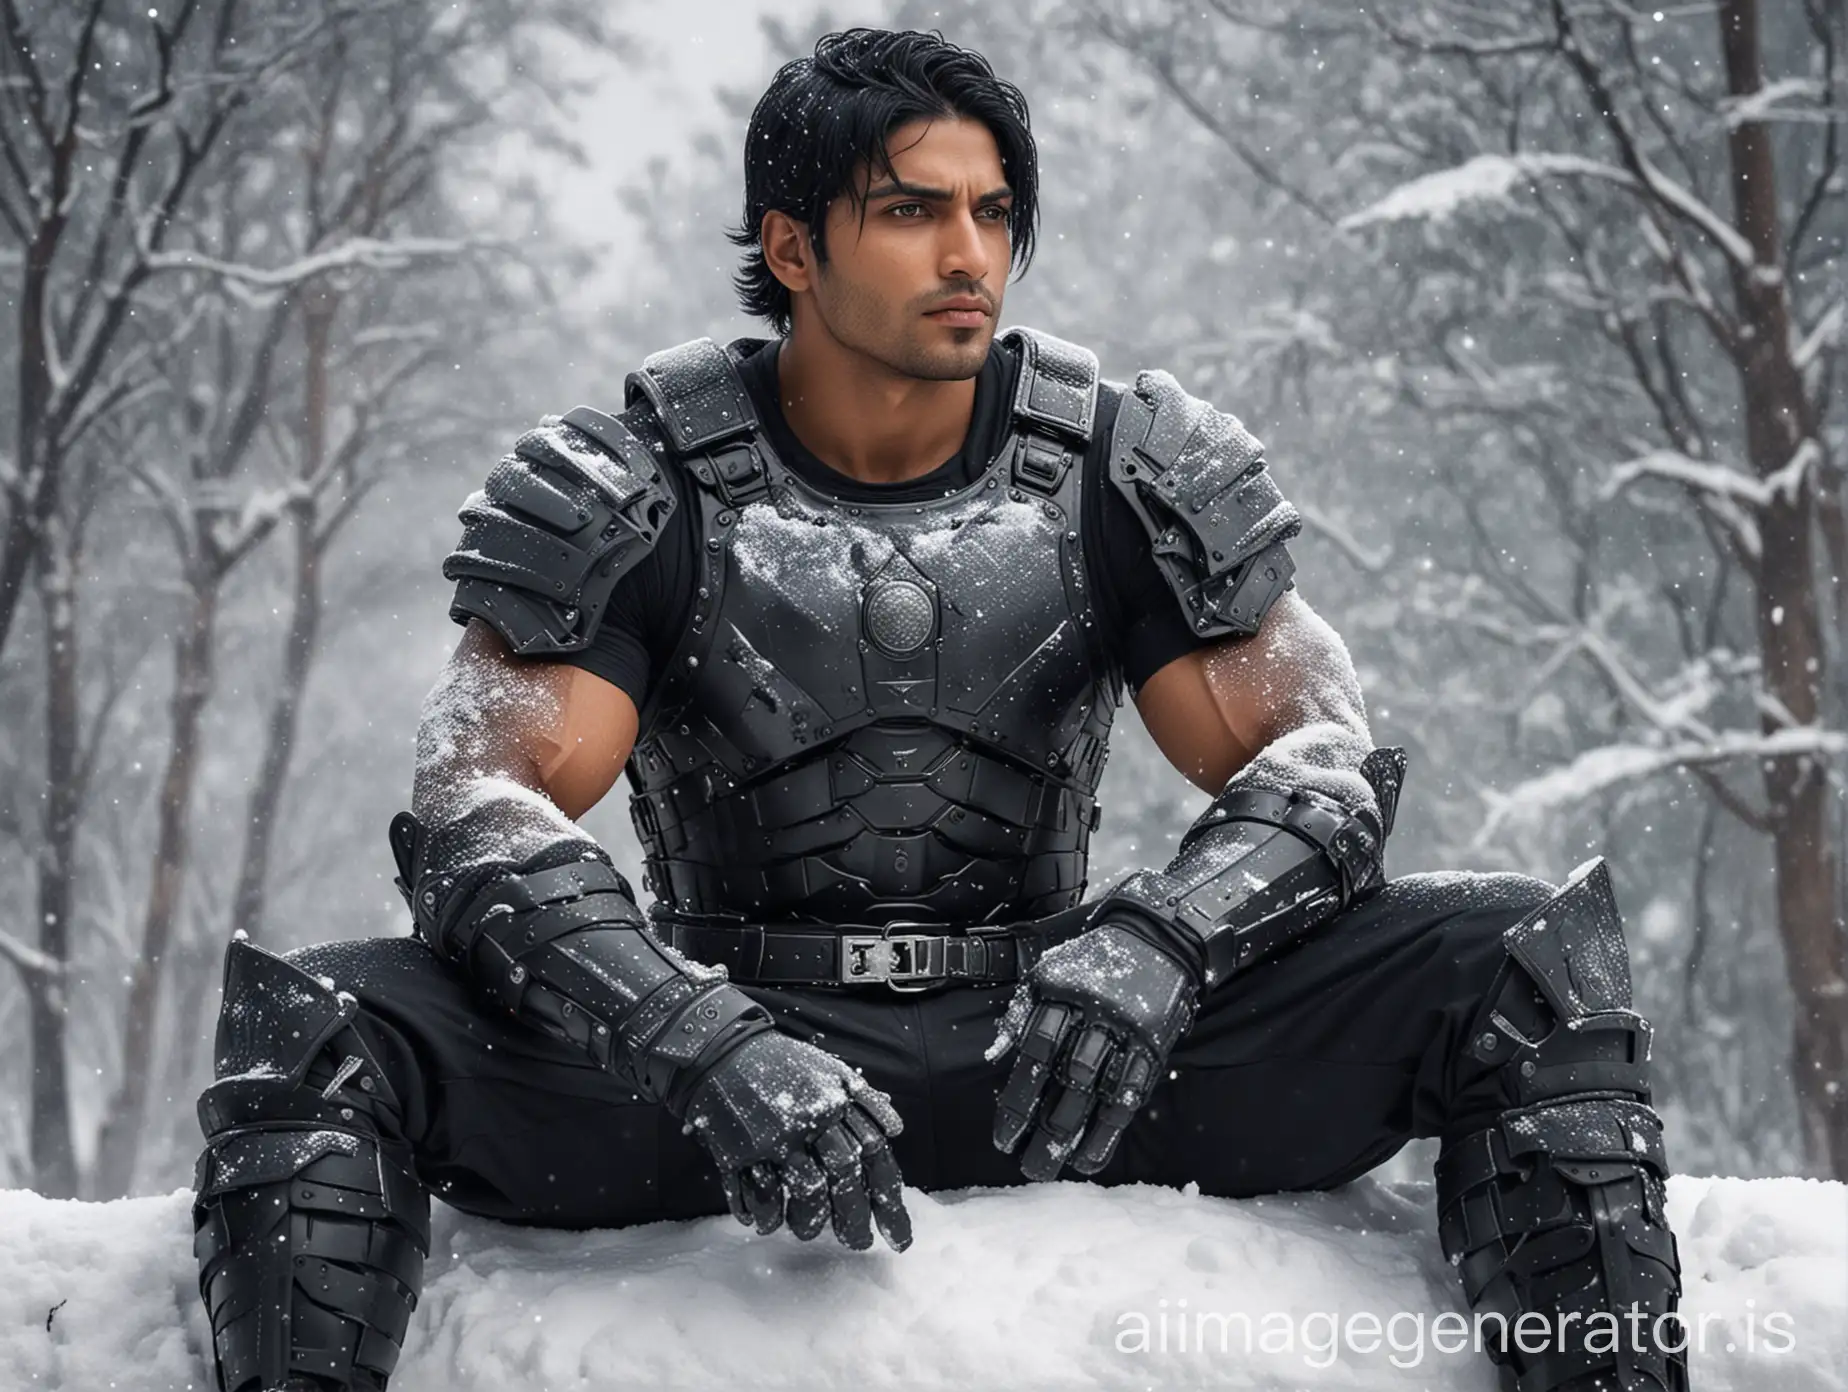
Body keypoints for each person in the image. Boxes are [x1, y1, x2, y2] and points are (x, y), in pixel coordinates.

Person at [187, 27, 1690, 1392]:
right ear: (791, 244)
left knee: (1515, 954)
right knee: (326, 1017)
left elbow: (1318, 747)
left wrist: (1160, 942)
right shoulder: (632, 489)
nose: (968, 252)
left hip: (1066, 1054)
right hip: (730, 1060)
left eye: (989, 214)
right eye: (911, 211)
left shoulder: (1123, 466)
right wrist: (697, 1041)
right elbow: (476, 802)